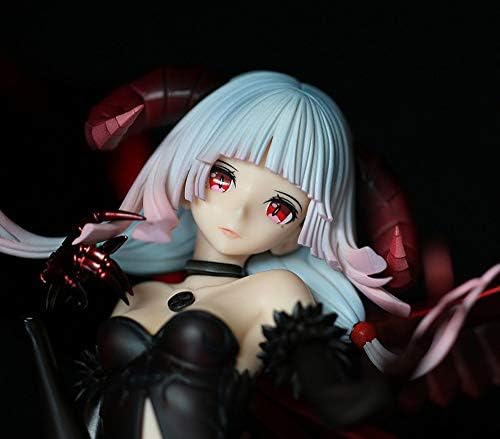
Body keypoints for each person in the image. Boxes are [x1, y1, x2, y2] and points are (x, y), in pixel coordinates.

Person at [1, 71, 498, 438]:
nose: (238, 212)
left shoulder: (276, 292)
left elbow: (342, 402)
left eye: (279, 208)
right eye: (223, 178)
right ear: (189, 168)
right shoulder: (137, 296)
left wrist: (412, 358)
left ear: (295, 234)